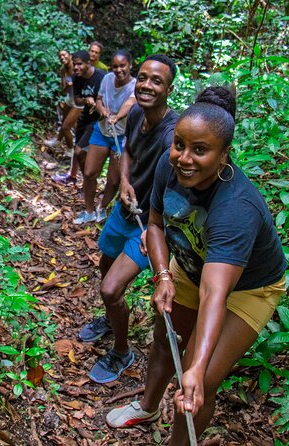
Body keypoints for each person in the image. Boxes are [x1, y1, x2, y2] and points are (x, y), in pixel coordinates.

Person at [105, 86, 287, 445]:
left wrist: (196, 368)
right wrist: (163, 275)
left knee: (198, 378)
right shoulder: (168, 165)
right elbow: (155, 225)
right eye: (179, 145)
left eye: (200, 150)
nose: (184, 158)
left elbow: (214, 294)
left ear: (224, 156)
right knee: (164, 339)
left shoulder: (237, 207)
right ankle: (147, 406)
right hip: (190, 266)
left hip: (247, 289)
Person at [77, 54, 179, 384]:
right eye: (144, 78)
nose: (148, 85)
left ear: (169, 88)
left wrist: (156, 228)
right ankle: (112, 319)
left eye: (157, 81)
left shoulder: (172, 135)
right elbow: (129, 153)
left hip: (149, 225)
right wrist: (124, 181)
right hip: (125, 210)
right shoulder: (136, 113)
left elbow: (176, 190)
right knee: (106, 263)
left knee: (110, 288)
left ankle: (122, 351)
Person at [73, 50, 136, 225]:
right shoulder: (107, 79)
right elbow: (99, 98)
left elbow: (130, 103)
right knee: (89, 172)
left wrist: (117, 117)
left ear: (130, 65)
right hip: (101, 130)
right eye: (115, 66)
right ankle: (88, 211)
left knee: (114, 180)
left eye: (122, 65)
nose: (118, 69)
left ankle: (102, 206)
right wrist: (102, 110)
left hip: (121, 136)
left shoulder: (134, 85)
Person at [52, 50, 105, 186]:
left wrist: (97, 103)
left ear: (88, 63)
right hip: (85, 116)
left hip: (98, 119)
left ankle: (89, 182)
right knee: (78, 148)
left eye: (79, 64)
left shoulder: (101, 77)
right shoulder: (76, 77)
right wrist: (86, 100)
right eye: (74, 64)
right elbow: (77, 99)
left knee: (80, 151)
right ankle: (75, 177)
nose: (76, 68)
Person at [46, 50, 83, 155]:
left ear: (70, 56)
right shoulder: (63, 70)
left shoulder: (77, 68)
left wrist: (72, 84)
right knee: (63, 122)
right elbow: (63, 89)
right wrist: (68, 86)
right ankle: (57, 141)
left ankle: (71, 149)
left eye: (64, 55)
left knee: (66, 127)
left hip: (78, 101)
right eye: (60, 56)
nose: (62, 57)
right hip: (69, 98)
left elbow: (82, 85)